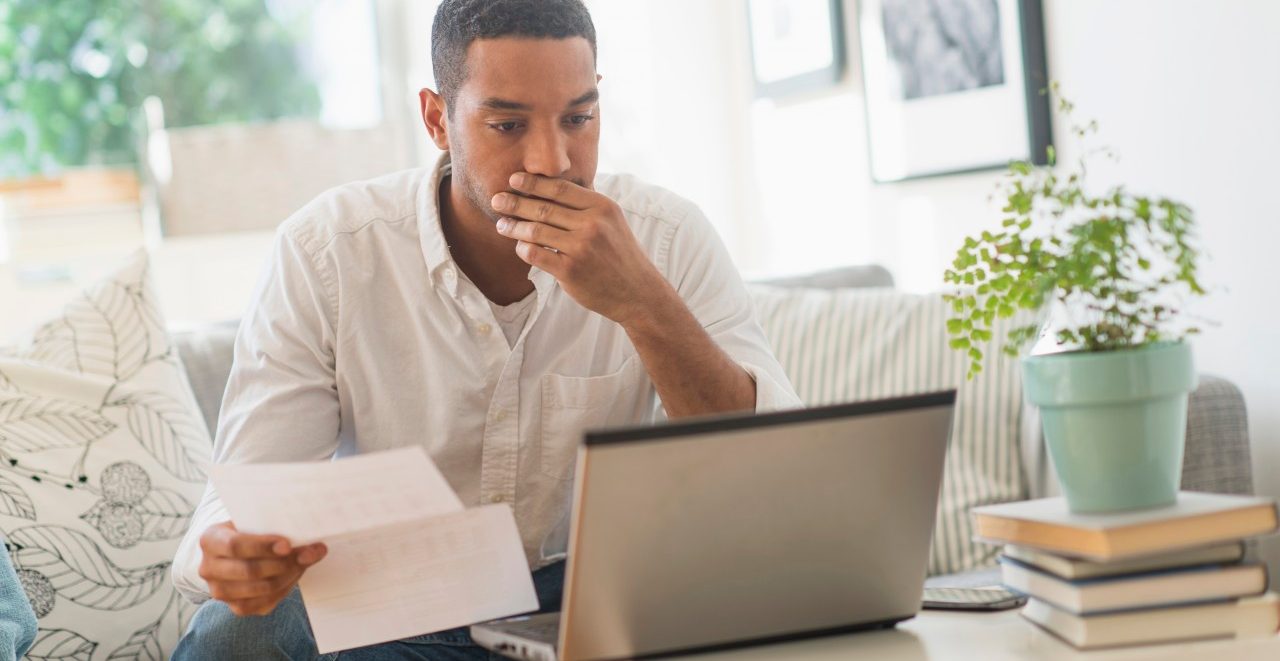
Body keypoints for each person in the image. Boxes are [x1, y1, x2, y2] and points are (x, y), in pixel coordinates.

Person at [170, 0, 800, 658]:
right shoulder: (327, 251)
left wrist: (642, 302)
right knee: (236, 630)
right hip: (393, 616)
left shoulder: (667, 239)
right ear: (438, 119)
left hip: (587, 605)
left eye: (579, 118)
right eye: (507, 123)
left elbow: (768, 476)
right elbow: (243, 492)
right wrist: (233, 553)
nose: (553, 159)